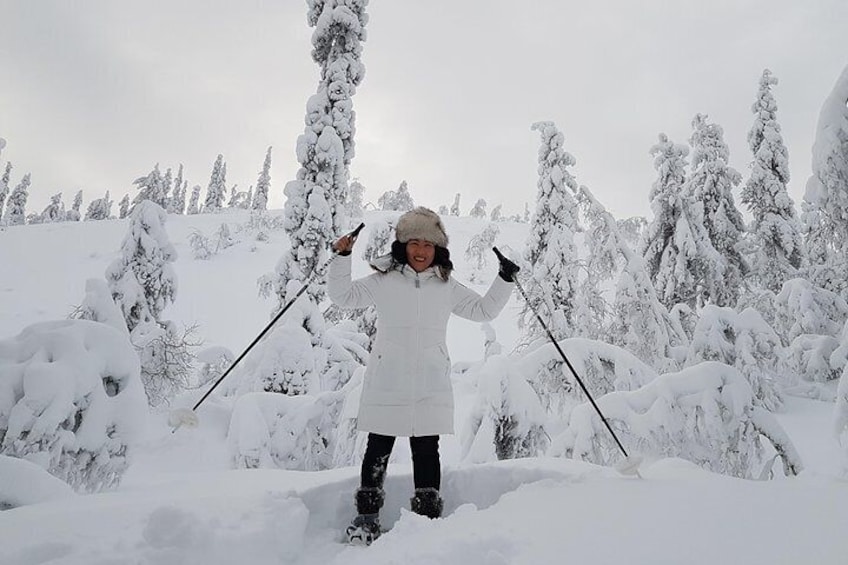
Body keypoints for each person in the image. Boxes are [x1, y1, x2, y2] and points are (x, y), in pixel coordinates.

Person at [328, 206, 520, 544]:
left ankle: (428, 519)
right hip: (388, 380)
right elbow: (342, 297)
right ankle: (366, 518)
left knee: (427, 450)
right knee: (378, 448)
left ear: (438, 250)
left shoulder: (445, 286)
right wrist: (342, 257)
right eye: (414, 242)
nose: (420, 250)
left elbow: (483, 310)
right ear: (403, 246)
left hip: (430, 382)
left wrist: (504, 278)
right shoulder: (383, 281)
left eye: (428, 245)